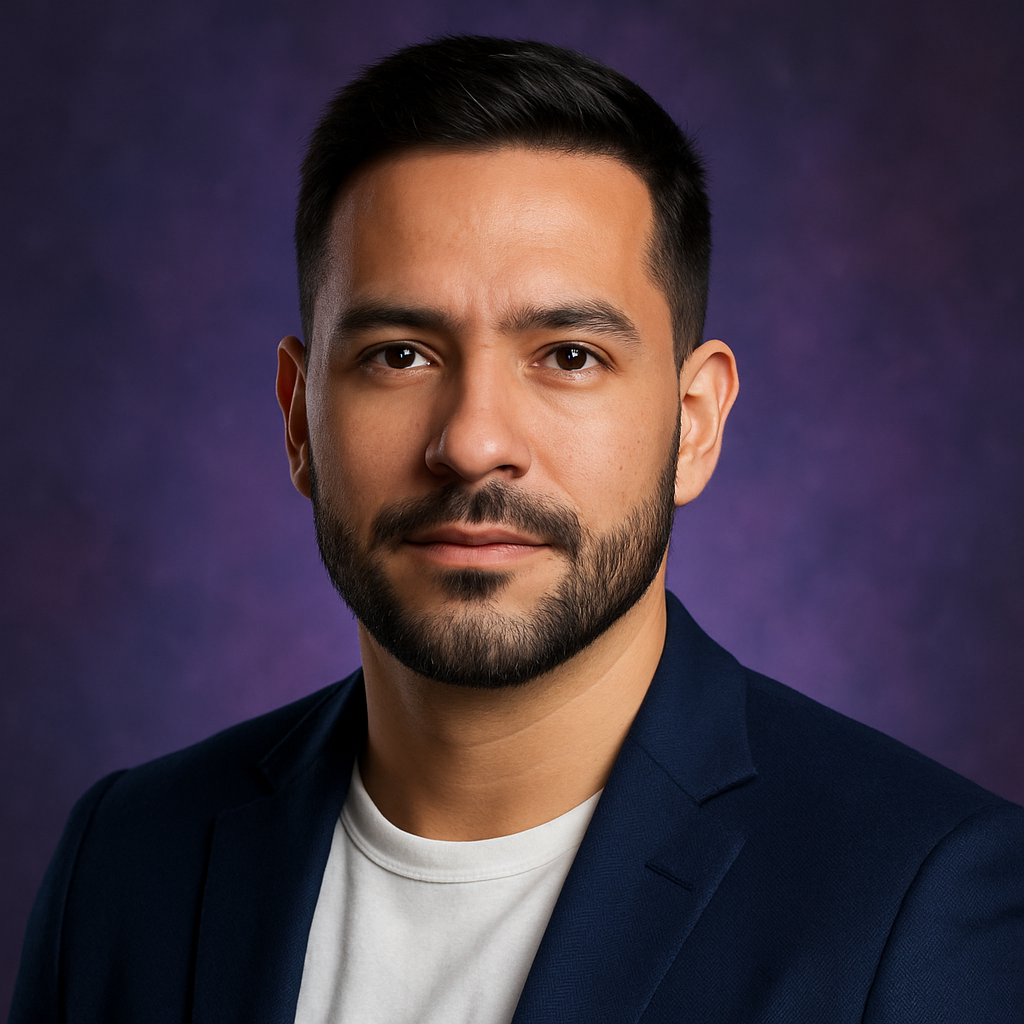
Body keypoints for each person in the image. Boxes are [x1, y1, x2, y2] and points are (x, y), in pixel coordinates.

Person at [10, 35, 1023, 1024]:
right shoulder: (123, 859)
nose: (472, 442)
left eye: (569, 355)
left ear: (693, 423)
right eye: (399, 354)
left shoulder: (923, 901)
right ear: (298, 419)